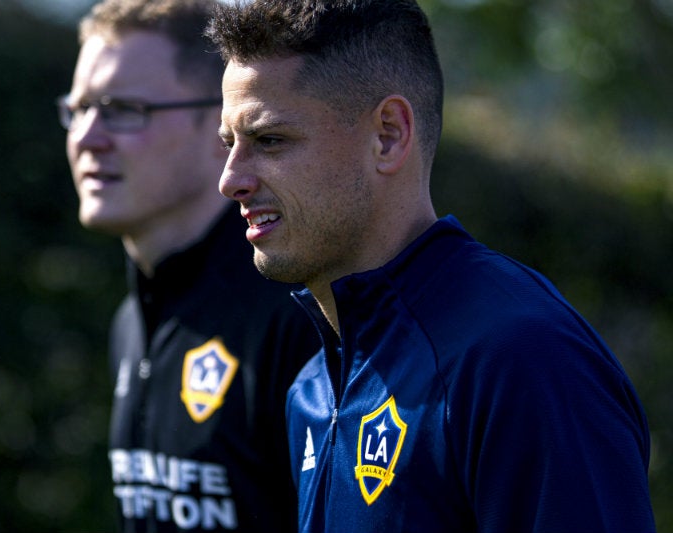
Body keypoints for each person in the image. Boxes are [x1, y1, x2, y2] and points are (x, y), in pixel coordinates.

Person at [206, 1, 657, 531]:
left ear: (389, 135)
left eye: (270, 140)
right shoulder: (311, 387)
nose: (231, 180)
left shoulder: (522, 358)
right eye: (229, 144)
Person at [58, 0, 320, 531]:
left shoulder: (296, 314)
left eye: (122, 109)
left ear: (217, 126)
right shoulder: (132, 323)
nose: (87, 138)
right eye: (78, 109)